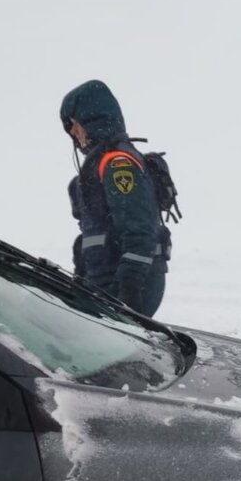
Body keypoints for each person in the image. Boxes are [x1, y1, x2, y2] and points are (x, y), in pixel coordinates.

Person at [60, 80, 167, 316]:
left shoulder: (118, 163)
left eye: (74, 125)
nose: (73, 134)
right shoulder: (99, 163)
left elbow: (139, 229)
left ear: (90, 120)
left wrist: (130, 290)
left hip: (124, 286)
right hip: (104, 282)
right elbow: (95, 231)